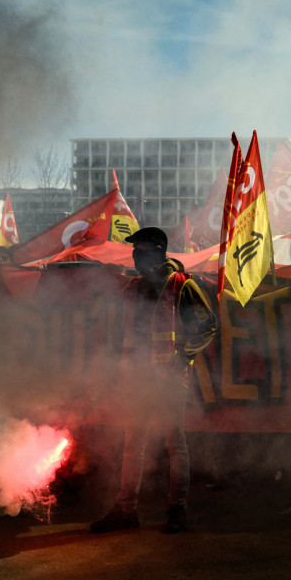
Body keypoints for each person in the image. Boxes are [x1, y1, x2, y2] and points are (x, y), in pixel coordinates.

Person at [90, 227, 218, 534]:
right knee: (132, 446)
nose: (136, 256)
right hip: (136, 381)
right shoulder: (131, 289)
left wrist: (181, 358)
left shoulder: (180, 285)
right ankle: (124, 511)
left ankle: (178, 510)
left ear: (159, 251)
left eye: (142, 250)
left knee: (175, 444)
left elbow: (207, 326)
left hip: (168, 380)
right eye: (134, 251)